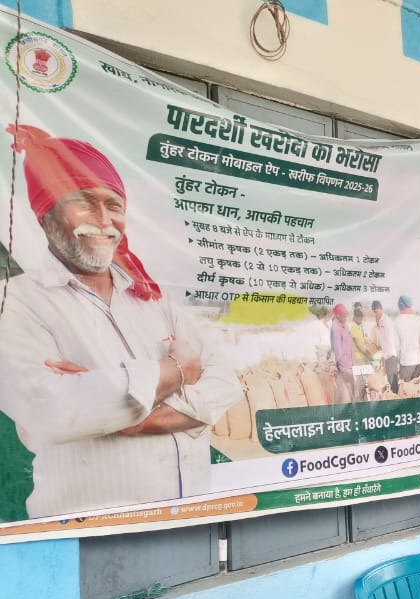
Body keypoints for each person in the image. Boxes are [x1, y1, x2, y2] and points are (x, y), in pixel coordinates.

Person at [0, 123, 240, 518]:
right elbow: (52, 409)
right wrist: (176, 370)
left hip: (194, 515)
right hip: (92, 534)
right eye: (83, 202)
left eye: (113, 205)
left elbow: (224, 382)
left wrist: (123, 411)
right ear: (45, 214)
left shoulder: (153, 298)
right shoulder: (17, 301)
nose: (102, 219)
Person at [394, 295, 420, 382]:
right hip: (418, 361)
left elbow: (397, 347)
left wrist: (398, 365)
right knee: (417, 392)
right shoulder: (419, 320)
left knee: (406, 393)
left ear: (400, 306)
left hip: (405, 364)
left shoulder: (397, 321)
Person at [372, 300, 399, 394]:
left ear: (380, 309)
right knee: (391, 380)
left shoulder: (386, 322)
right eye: (374, 313)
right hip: (388, 355)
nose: (375, 315)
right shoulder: (382, 321)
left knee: (392, 382)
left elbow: (390, 342)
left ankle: (395, 400)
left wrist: (385, 357)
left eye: (376, 312)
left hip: (390, 355)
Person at [330, 303, 355, 404]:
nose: (346, 317)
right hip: (344, 366)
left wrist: (353, 362)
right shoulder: (335, 328)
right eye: (344, 315)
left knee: (352, 391)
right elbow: (337, 350)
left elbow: (349, 344)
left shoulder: (344, 325)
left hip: (350, 364)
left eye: (346, 315)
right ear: (337, 315)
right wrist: (342, 368)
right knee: (346, 395)